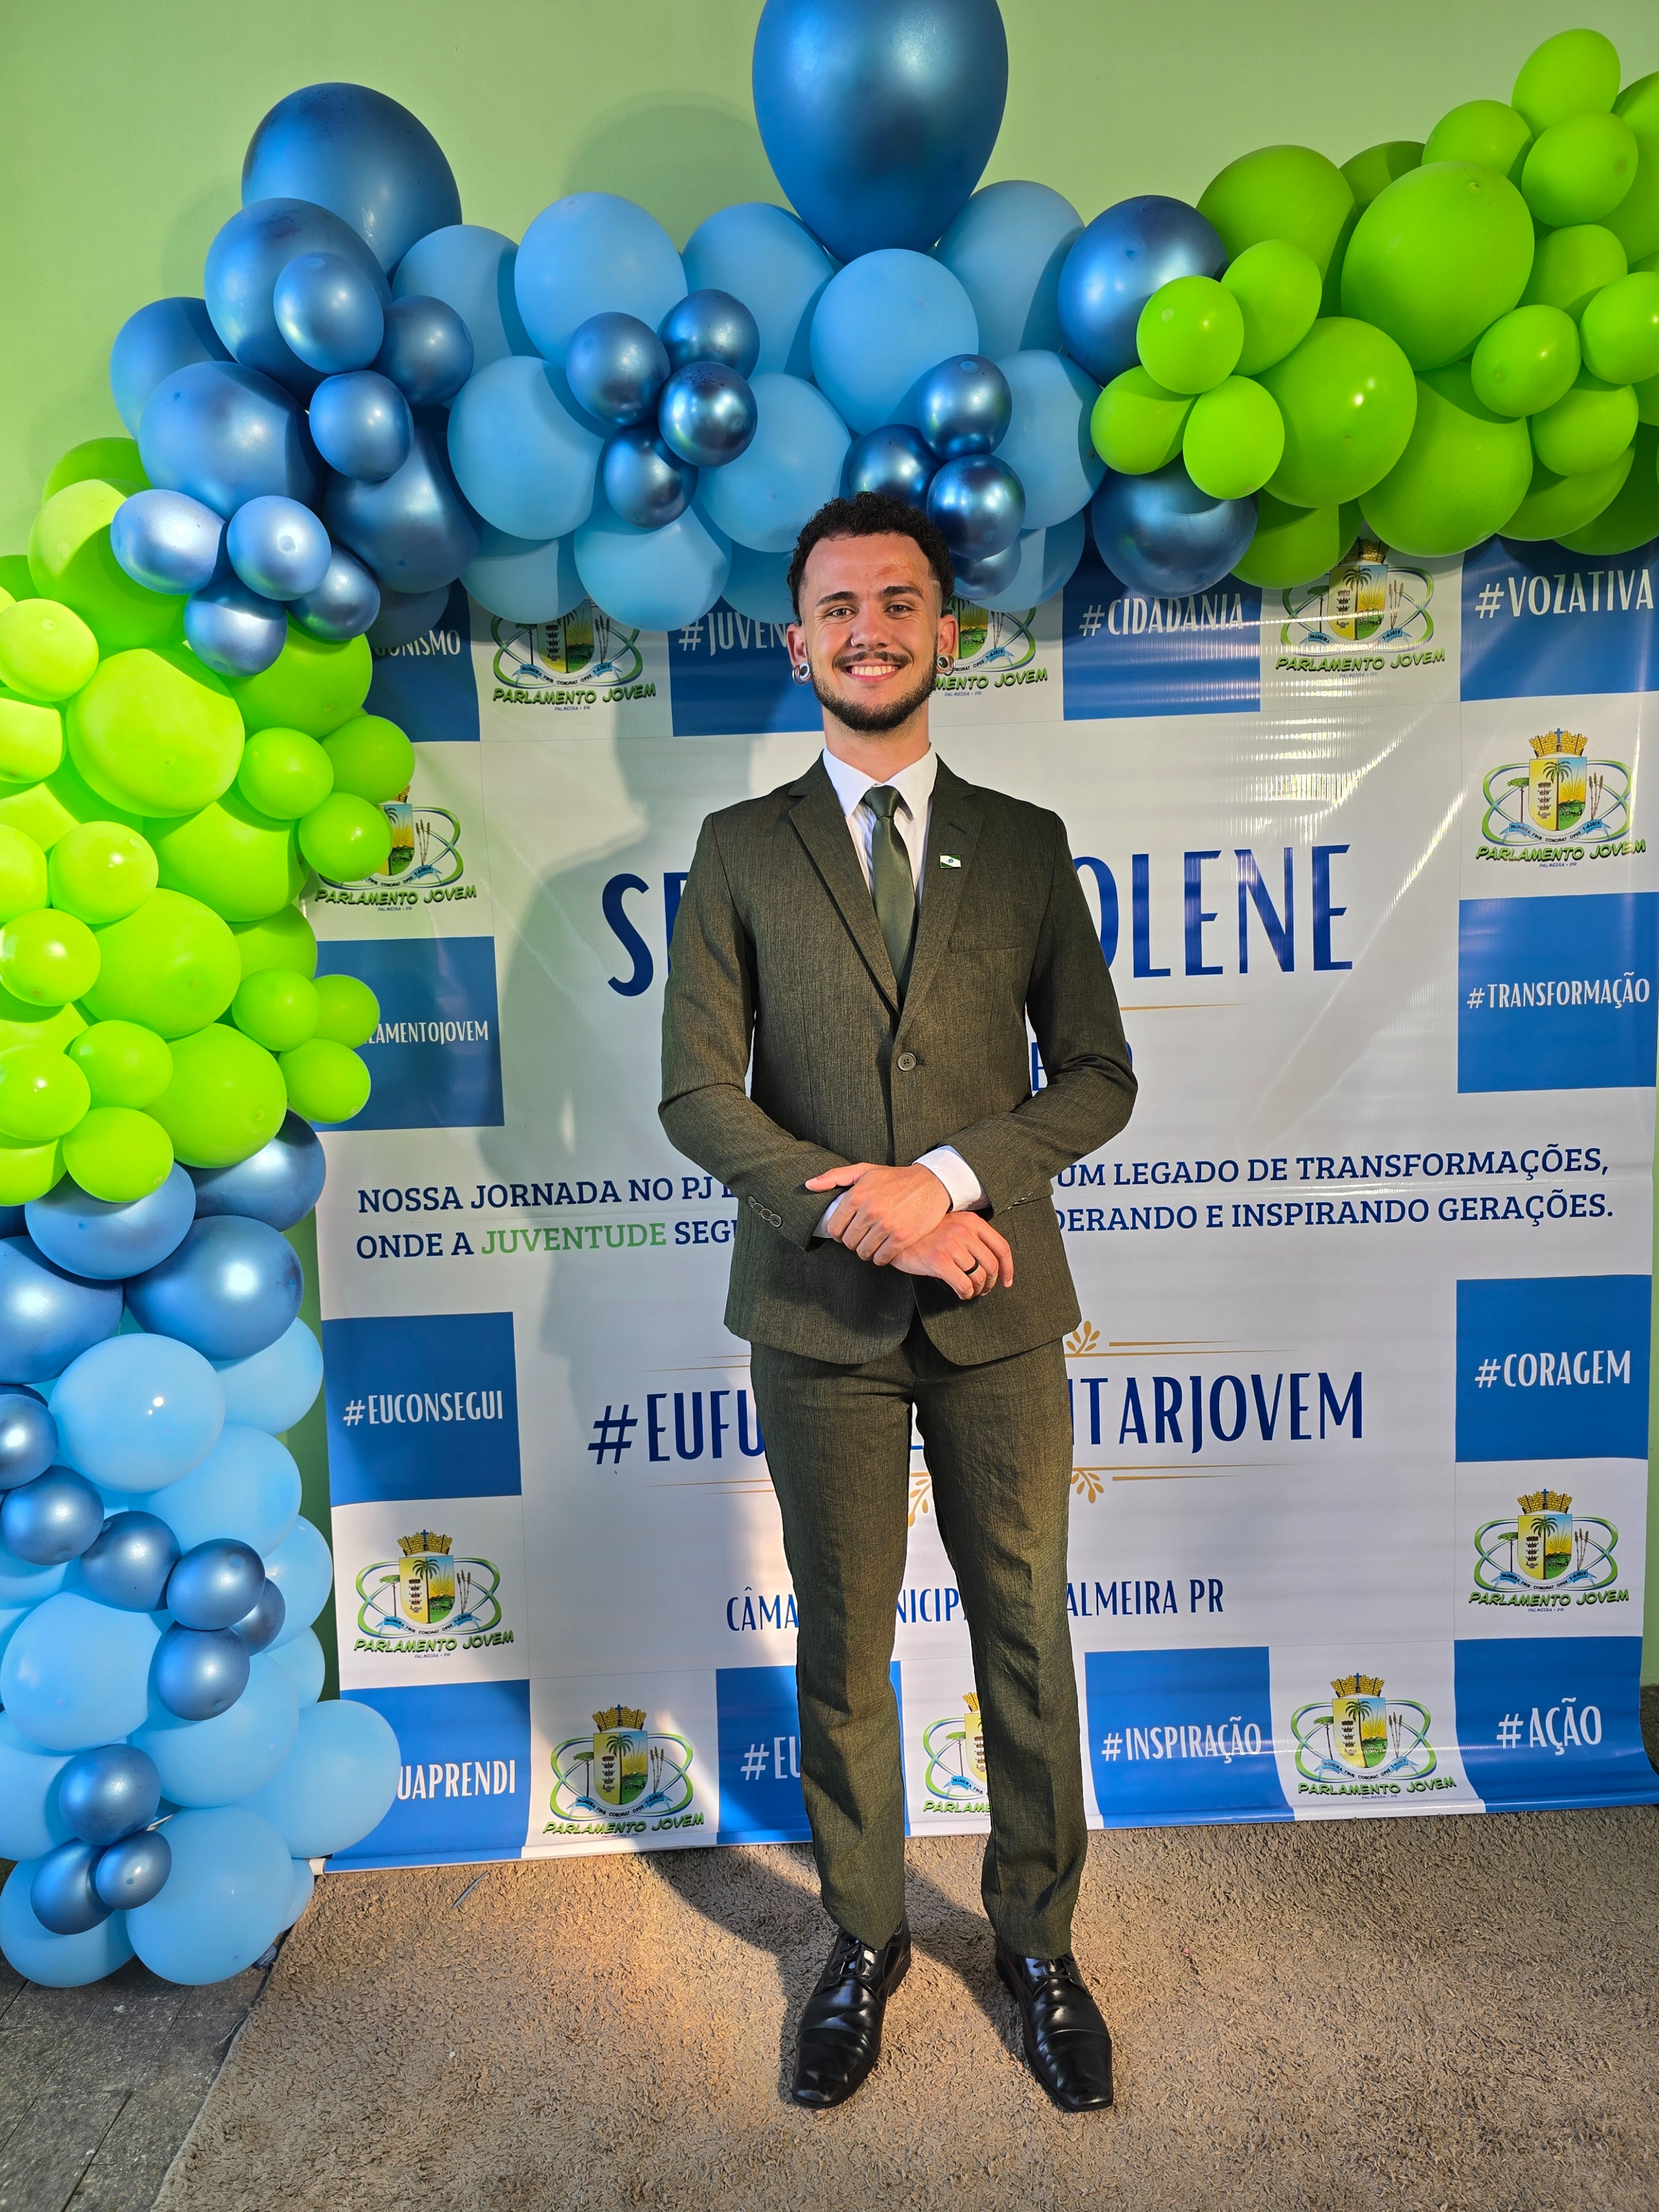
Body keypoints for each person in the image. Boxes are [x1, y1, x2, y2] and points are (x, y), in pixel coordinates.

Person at [659, 491, 1136, 2113]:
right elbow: (698, 1099)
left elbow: (1098, 1077)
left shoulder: (1027, 843)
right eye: (839, 607)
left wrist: (944, 1180)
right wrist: (874, 1219)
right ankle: (862, 1939)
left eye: (899, 602)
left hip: (1000, 1312)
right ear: (799, 644)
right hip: (819, 1325)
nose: (870, 629)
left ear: (947, 632)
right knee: (846, 1644)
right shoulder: (738, 851)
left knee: (1027, 1631)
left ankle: (1039, 1945)